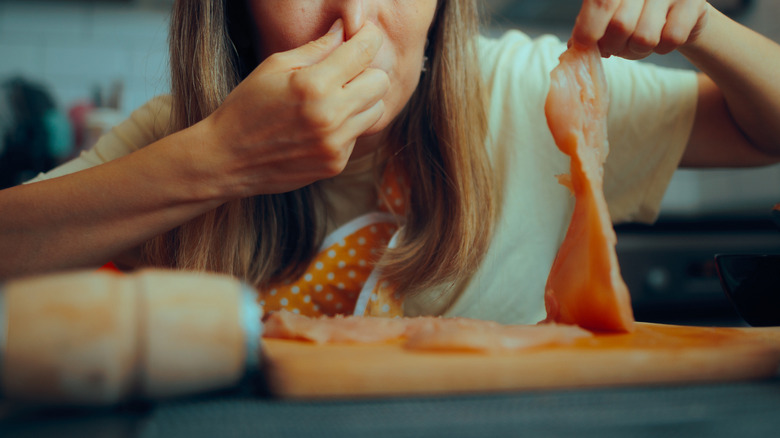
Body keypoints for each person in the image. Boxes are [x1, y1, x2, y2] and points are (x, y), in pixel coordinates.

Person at [1, 0, 779, 324]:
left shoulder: (525, 91)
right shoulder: (185, 133)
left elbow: (763, 134)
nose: (351, 18)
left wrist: (706, 27)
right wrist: (218, 161)